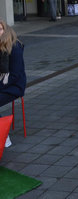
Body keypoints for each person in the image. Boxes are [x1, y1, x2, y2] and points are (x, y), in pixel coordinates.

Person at [0, 20, 25, 148]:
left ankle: (4, 137)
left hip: (14, 86)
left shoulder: (15, 47)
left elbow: (15, 75)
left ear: (6, 30)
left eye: (0, 29)